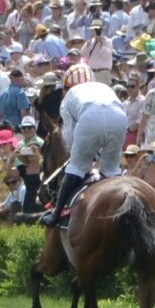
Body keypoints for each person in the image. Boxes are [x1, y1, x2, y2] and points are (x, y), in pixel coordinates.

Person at [47, 64, 129, 228]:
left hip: (90, 118)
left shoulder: (68, 97)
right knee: (111, 171)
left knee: (75, 168)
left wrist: (83, 157)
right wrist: (98, 153)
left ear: (66, 86)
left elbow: (70, 139)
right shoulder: (103, 86)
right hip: (120, 118)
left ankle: (55, 216)